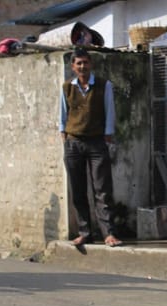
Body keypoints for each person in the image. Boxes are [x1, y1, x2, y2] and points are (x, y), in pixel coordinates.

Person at [59, 48, 123, 248]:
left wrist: (108, 134)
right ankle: (85, 232)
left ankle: (108, 233)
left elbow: (109, 111)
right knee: (78, 190)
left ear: (90, 64)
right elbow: (63, 114)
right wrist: (64, 134)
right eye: (78, 63)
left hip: (97, 141)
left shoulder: (104, 86)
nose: (82, 66)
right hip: (74, 142)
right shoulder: (67, 87)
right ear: (73, 66)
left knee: (102, 189)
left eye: (85, 62)